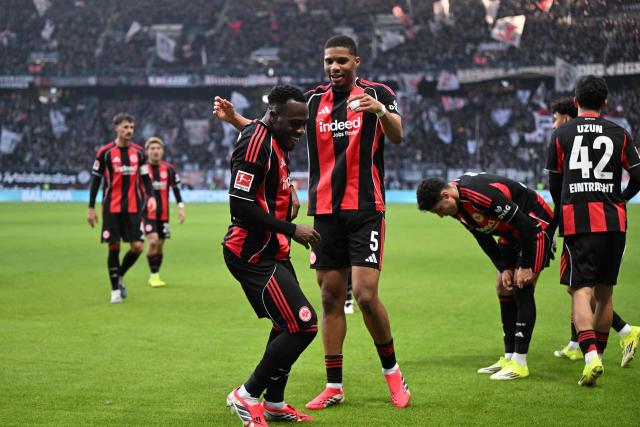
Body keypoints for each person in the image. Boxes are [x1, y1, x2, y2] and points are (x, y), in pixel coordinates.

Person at [214, 34, 411, 409]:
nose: (334, 67)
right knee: (329, 297)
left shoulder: (378, 93)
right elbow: (271, 129)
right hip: (325, 213)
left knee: (366, 296)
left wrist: (381, 112)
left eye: (342, 61)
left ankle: (393, 375)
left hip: (366, 207)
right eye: (328, 61)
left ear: (357, 61)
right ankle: (334, 385)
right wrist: (235, 120)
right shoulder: (313, 100)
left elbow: (398, 136)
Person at [219, 85, 321, 426]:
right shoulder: (255, 144)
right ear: (274, 116)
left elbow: (255, 126)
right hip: (252, 254)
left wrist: (288, 189)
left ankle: (274, 403)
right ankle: (246, 396)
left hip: (272, 251)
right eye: (294, 123)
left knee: (285, 324)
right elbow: (241, 206)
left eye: (303, 123)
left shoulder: (271, 134)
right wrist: (293, 229)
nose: (300, 131)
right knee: (304, 326)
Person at [546, 75, 640, 386]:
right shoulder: (620, 133)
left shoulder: (562, 134)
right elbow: (638, 177)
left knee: (581, 290)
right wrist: (619, 199)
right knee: (605, 292)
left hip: (579, 222)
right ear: (605, 103)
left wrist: (558, 219)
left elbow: (555, 184)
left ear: (575, 102)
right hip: (614, 222)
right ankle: (597, 355)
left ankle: (590, 357)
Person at [417, 172, 554, 380]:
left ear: (446, 195)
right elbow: (481, 235)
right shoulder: (457, 207)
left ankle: (520, 362)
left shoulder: (479, 194)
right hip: (510, 231)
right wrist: (503, 267)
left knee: (521, 286)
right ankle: (509, 356)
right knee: (503, 286)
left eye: (439, 210)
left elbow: (524, 224)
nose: (440, 215)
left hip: (534, 224)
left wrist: (525, 265)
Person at [87, 113, 156, 304]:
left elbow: (145, 178)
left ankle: (119, 275)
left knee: (137, 247)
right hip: (111, 208)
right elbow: (96, 181)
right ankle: (115, 290)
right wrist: (91, 208)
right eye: (125, 127)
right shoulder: (105, 152)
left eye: (132, 127)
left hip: (134, 208)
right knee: (114, 248)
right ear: (116, 128)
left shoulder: (140, 153)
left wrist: (151, 197)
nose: (129, 131)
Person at [142, 137, 186, 288]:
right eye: (152, 149)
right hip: (146, 213)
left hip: (164, 214)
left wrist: (181, 207)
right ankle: (153, 275)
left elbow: (176, 189)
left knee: (160, 245)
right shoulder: (142, 170)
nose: (155, 151)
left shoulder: (169, 169)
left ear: (162, 151)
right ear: (147, 151)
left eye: (158, 148)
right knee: (153, 241)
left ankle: (156, 274)